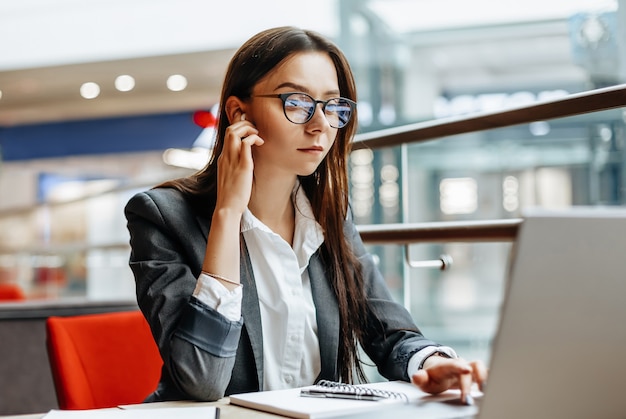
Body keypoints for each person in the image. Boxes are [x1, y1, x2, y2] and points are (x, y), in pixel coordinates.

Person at [124, 26, 487, 405]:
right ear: (238, 112)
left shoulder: (329, 212)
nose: (321, 124)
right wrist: (228, 216)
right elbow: (202, 381)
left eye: (333, 106)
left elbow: (387, 330)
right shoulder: (161, 216)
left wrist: (432, 362)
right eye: (296, 102)